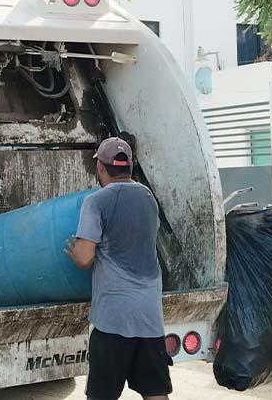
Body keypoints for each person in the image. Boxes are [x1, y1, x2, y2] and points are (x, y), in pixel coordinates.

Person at [65, 137, 172, 400]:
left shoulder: (96, 201)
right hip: (149, 315)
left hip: (114, 318)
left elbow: (84, 258)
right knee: (155, 392)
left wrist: (74, 249)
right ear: (130, 166)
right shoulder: (148, 198)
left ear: (100, 167)